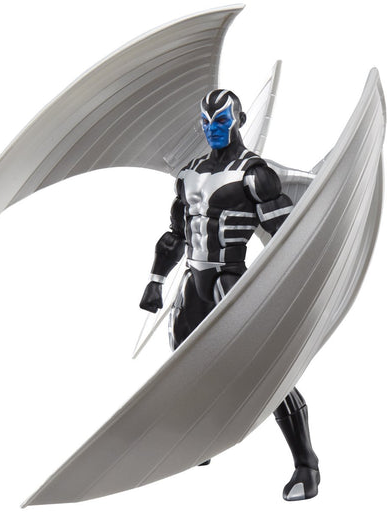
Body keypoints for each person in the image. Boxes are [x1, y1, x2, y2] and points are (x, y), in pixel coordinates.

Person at [139, 89, 320, 501]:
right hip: (193, 281)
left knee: (263, 369)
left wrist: (290, 289)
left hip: (230, 280)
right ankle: (200, 442)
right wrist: (155, 280)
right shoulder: (189, 174)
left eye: (221, 120)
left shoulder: (255, 175)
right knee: (184, 366)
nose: (213, 129)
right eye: (206, 123)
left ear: (238, 120)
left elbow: (286, 238)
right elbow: (176, 235)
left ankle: (306, 465)